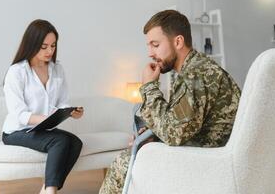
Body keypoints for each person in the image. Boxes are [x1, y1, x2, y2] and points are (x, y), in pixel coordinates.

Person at [99, 10, 241, 194]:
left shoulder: (196, 75)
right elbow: (179, 123)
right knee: (134, 155)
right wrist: (153, 135)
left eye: (155, 45)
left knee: (124, 162)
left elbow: (174, 134)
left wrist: (149, 86)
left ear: (178, 42)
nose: (150, 53)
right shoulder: (195, 69)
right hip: (200, 150)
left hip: (207, 159)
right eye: (149, 46)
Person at [2, 19, 84, 194]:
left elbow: (62, 101)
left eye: (53, 46)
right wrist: (46, 119)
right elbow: (18, 113)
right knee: (60, 141)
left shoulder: (57, 69)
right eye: (44, 46)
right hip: (17, 131)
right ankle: (51, 190)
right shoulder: (17, 72)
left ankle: (46, 189)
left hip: (41, 128)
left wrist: (71, 112)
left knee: (75, 142)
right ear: (32, 44)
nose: (50, 51)